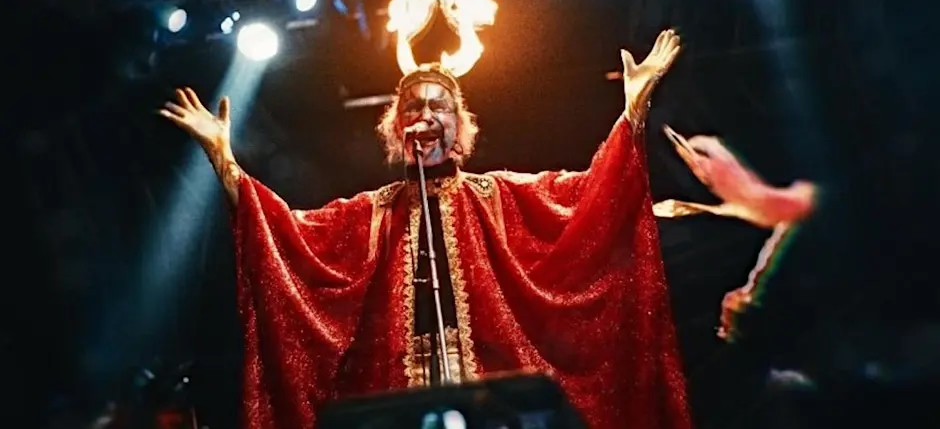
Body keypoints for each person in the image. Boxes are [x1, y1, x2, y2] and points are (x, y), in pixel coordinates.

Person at [159, 29, 691, 429]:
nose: (427, 114)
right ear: (396, 127)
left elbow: (592, 198)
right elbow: (283, 235)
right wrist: (223, 158)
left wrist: (633, 109)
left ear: (460, 127)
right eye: (414, 106)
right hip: (400, 391)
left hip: (489, 387)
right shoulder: (370, 213)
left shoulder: (501, 195)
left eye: (440, 106)